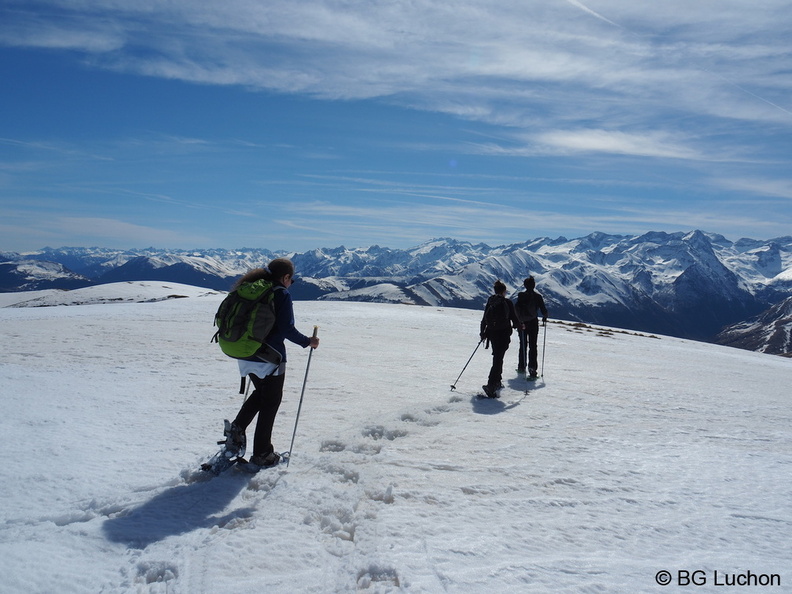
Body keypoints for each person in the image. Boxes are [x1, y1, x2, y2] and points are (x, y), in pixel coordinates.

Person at [225, 258, 319, 467]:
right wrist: (308, 342)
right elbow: (287, 329)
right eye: (291, 280)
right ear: (285, 277)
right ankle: (262, 454)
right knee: (271, 402)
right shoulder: (280, 293)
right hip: (270, 356)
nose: (290, 284)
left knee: (262, 394)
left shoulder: (253, 289)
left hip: (244, 351)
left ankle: (236, 431)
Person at [480, 280, 522, 398]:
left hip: (492, 333)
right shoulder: (507, 302)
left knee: (497, 357)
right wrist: (520, 326)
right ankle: (491, 384)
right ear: (504, 291)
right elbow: (514, 318)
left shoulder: (490, 301)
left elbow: (484, 318)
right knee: (498, 358)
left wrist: (482, 332)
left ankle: (497, 381)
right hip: (503, 333)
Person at [515, 276, 548, 379]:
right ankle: (532, 368)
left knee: (523, 345)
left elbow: (516, 309)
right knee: (533, 346)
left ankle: (521, 367)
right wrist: (545, 317)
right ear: (534, 285)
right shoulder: (538, 297)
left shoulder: (521, 296)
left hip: (522, 323)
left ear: (525, 285)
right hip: (533, 323)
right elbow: (544, 311)